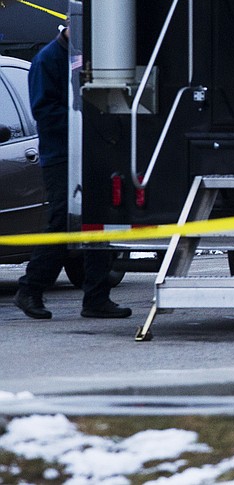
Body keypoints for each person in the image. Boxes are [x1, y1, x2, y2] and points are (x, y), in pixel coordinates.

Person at [14, 26, 131, 319]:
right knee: (63, 222)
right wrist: (88, 120)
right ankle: (30, 289)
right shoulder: (47, 60)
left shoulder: (91, 57)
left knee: (98, 224)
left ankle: (96, 298)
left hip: (94, 152)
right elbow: (45, 113)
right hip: (61, 156)